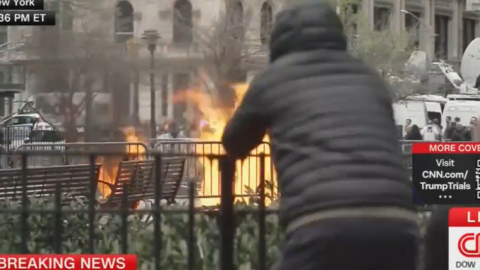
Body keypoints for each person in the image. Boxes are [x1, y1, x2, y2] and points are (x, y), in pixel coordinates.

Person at [221, 1, 420, 270]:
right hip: (398, 224)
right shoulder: (369, 78)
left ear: (279, 41)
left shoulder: (273, 79)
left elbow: (234, 141)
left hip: (322, 224)